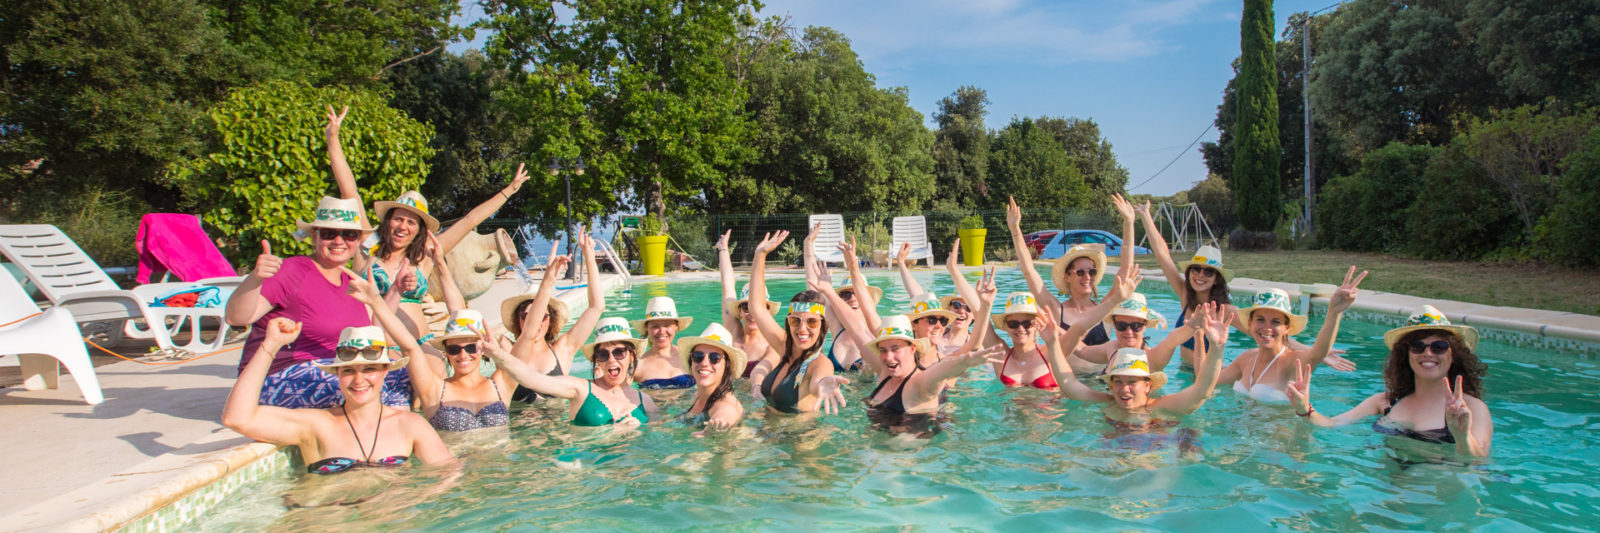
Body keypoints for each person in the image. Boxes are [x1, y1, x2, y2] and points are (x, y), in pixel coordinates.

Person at [324, 105, 532, 341]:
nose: (403, 226)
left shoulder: (424, 255)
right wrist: (333, 139)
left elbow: (469, 220)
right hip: (374, 350)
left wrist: (509, 190)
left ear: (419, 230)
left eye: (411, 223)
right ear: (388, 221)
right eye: (399, 219)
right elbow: (349, 191)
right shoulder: (366, 245)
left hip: (420, 346)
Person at [224, 196, 411, 408]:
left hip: (338, 369)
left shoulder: (349, 280)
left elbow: (375, 331)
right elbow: (236, 317)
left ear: (358, 240)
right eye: (330, 233)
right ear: (315, 236)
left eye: (348, 235)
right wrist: (256, 278)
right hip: (279, 376)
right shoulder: (293, 270)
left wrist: (397, 289)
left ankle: (393, 437)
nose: (339, 241)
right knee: (353, 394)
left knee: (407, 380)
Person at [1135, 203, 1356, 372]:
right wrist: (1146, 216)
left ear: (1216, 279)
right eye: (1196, 269)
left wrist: (1317, 353)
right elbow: (1163, 255)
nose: (1200, 275)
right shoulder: (1186, 297)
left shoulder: (1225, 311)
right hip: (1185, 372)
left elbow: (1270, 334)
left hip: (1212, 376)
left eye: (1208, 272)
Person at [223, 318, 453, 474]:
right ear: (338, 375)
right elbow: (237, 418)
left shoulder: (410, 424)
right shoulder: (315, 425)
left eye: (369, 370)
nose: (359, 380)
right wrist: (269, 347)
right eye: (349, 371)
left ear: (384, 372)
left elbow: (448, 474)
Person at [1288, 305, 1493, 457]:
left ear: (1453, 354)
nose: (1428, 353)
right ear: (1406, 354)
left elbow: (1478, 463)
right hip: (1388, 500)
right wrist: (1304, 407)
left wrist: (1462, 436)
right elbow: (1332, 424)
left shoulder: (1472, 408)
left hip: (1438, 503)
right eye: (1417, 346)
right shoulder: (1385, 402)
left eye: (1438, 346)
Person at [1042, 294, 1233, 431]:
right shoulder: (1109, 396)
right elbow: (1069, 383)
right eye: (1118, 381)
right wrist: (1052, 342)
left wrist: (1216, 347)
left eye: (1132, 381)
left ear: (1147, 384)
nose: (1129, 332)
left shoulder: (1158, 405)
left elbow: (1201, 391)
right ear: (1110, 383)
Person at [1217, 267, 1366, 404]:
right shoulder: (1246, 359)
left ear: (1286, 327)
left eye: (1276, 322)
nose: (1267, 328)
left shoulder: (1293, 362)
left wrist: (1334, 312)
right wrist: (1212, 341)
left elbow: (1318, 353)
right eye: (1260, 320)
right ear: (1250, 323)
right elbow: (1211, 381)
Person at [1005, 195, 1137, 350]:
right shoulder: (1055, 310)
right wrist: (1015, 230)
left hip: (1100, 375)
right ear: (1067, 276)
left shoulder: (1105, 310)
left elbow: (1125, 271)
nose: (1087, 277)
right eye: (1080, 272)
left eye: (1092, 272)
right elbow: (1029, 271)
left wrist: (1129, 223)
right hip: (1062, 374)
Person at [482, 317, 657, 427]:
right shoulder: (579, 388)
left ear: (631, 356)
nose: (611, 359)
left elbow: (661, 439)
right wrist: (498, 354)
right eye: (604, 354)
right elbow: (531, 379)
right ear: (597, 361)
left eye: (619, 352)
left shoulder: (646, 402)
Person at [746, 230, 850, 414]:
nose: (803, 329)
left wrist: (824, 383)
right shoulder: (784, 347)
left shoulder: (819, 364)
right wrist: (760, 256)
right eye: (795, 321)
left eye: (812, 323)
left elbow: (820, 378)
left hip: (800, 439)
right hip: (770, 435)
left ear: (822, 327)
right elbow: (757, 308)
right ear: (788, 323)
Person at [499, 229, 607, 403]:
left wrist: (588, 255)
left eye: (543, 316)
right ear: (517, 319)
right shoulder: (506, 349)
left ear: (551, 320)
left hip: (557, 428)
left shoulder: (563, 349)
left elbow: (597, 307)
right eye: (526, 315)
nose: (535, 322)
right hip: (519, 428)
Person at [714, 230, 781, 379]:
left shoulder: (773, 343)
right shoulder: (733, 334)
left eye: (758, 307)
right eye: (746, 307)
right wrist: (723, 249)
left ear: (767, 311)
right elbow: (728, 286)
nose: (752, 312)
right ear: (739, 311)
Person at [675, 323, 747, 435]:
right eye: (698, 356)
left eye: (715, 358)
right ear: (691, 361)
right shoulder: (698, 395)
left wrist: (717, 426)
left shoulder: (726, 405)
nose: (704, 363)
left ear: (727, 366)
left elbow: (725, 415)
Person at [632, 296, 695, 389]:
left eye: (667, 325)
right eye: (655, 326)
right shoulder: (638, 365)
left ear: (676, 326)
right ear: (647, 328)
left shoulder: (691, 358)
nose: (662, 331)